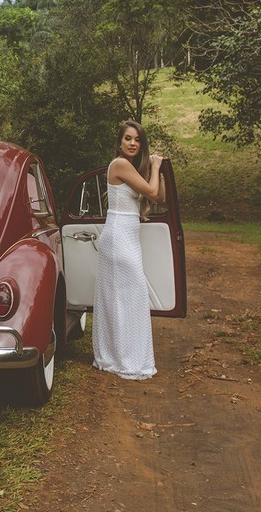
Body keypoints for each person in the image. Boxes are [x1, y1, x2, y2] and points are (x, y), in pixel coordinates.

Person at [92, 120, 164, 380]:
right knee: (130, 295)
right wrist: (155, 167)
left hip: (127, 235)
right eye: (128, 139)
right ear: (119, 143)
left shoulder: (132, 169)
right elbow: (153, 194)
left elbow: (161, 195)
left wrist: (158, 171)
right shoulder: (120, 164)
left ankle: (119, 355)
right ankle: (122, 358)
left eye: (137, 140)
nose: (133, 143)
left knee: (125, 297)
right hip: (118, 235)